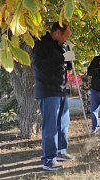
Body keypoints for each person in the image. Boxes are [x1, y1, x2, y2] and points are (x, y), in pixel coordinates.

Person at [32, 22, 75, 171]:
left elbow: (63, 65)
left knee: (63, 123)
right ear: (57, 32)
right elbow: (40, 66)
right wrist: (62, 58)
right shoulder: (42, 44)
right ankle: (49, 160)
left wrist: (68, 60)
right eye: (66, 36)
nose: (67, 39)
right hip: (48, 91)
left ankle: (60, 151)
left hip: (60, 90)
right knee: (50, 127)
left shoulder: (59, 45)